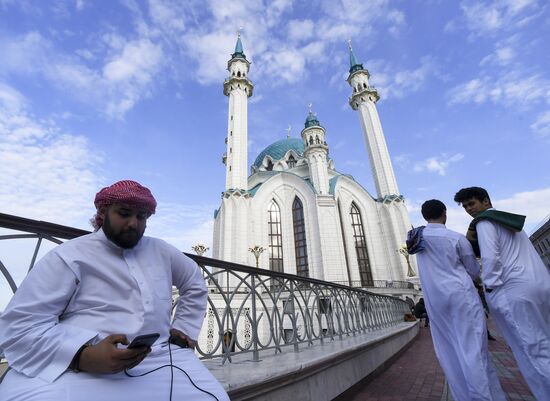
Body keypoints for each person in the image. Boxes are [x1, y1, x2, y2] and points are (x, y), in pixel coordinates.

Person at [0, 180, 229, 401]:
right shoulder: (70, 256)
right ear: (103, 213)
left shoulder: (160, 250)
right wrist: (83, 356)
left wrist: (183, 327)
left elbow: (194, 282)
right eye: (124, 213)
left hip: (158, 358)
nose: (133, 223)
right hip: (77, 367)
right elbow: (20, 325)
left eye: (141, 216)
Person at [455, 186, 550, 400]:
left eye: (472, 203)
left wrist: (488, 286)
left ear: (486, 201)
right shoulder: (510, 223)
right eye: (466, 206)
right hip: (537, 286)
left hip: (513, 290)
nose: (469, 209)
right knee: (543, 343)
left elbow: (490, 258)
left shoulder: (485, 222)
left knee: (532, 350)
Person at [408, 199, 506, 401]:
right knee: (473, 351)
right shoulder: (455, 238)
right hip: (461, 297)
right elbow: (472, 270)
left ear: (424, 216)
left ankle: (465, 397)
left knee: (448, 352)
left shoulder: (417, 239)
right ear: (445, 213)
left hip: (435, 301)